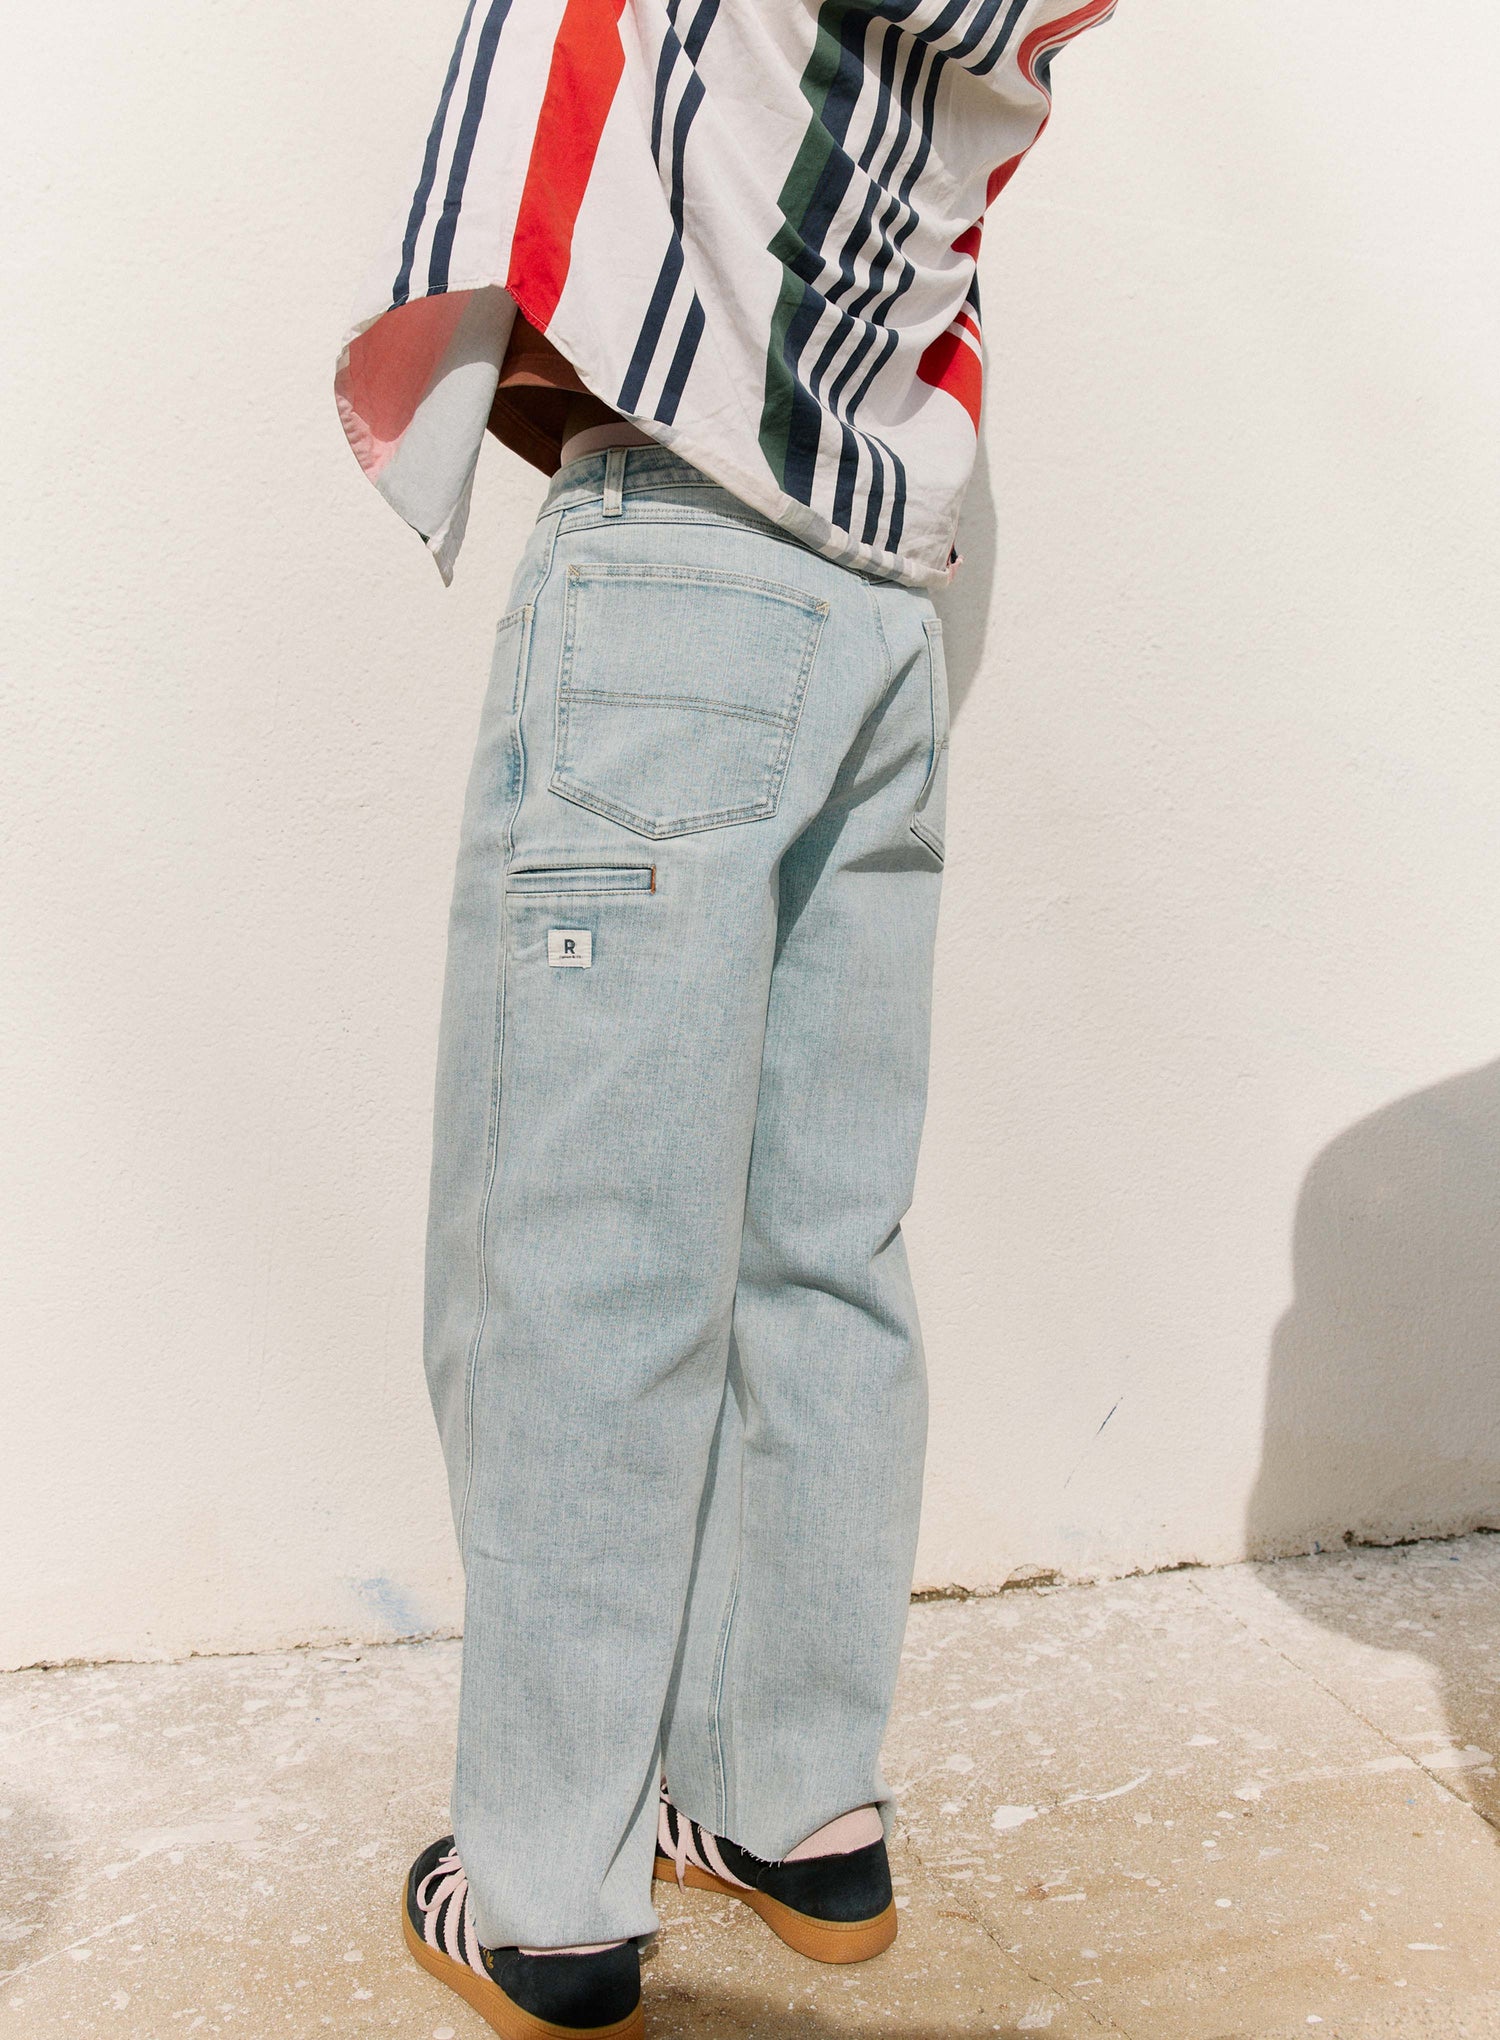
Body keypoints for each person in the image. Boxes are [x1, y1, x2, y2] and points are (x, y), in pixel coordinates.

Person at [336, 3, 1112, 2033]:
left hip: (676, 551)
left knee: (579, 1254)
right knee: (816, 1238)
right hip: (879, 589)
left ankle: (546, 1897)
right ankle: (794, 1804)